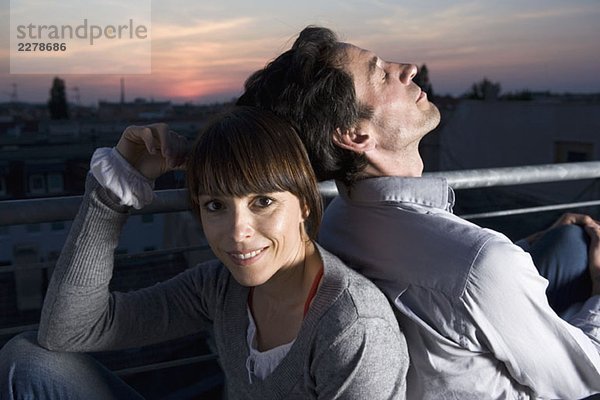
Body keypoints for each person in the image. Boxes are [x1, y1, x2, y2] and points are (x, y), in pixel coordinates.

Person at [237, 26, 600, 399]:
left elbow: (452, 282)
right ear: (356, 136)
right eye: (381, 73)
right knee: (581, 253)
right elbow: (584, 379)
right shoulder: (483, 263)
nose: (409, 68)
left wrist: (518, 254)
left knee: (569, 242)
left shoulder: (338, 218)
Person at [0, 107, 409, 399]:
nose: (237, 233)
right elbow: (69, 330)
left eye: (262, 201)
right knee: (26, 360)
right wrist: (114, 188)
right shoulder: (221, 287)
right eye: (215, 205)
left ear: (303, 203)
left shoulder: (353, 331)